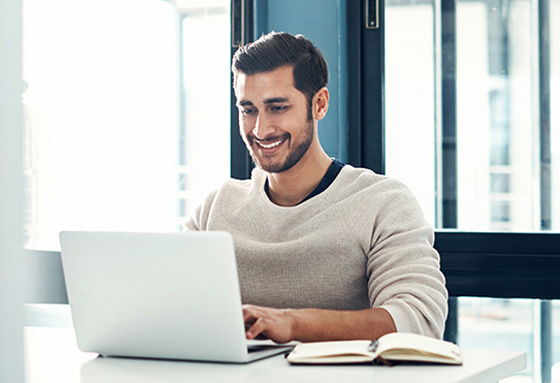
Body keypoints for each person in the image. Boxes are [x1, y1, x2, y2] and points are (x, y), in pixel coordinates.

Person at [184, 31, 448, 344]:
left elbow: (418, 320)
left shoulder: (382, 202)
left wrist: (292, 323)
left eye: (278, 107)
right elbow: (168, 307)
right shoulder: (215, 209)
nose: (260, 129)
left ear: (319, 104)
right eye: (248, 109)